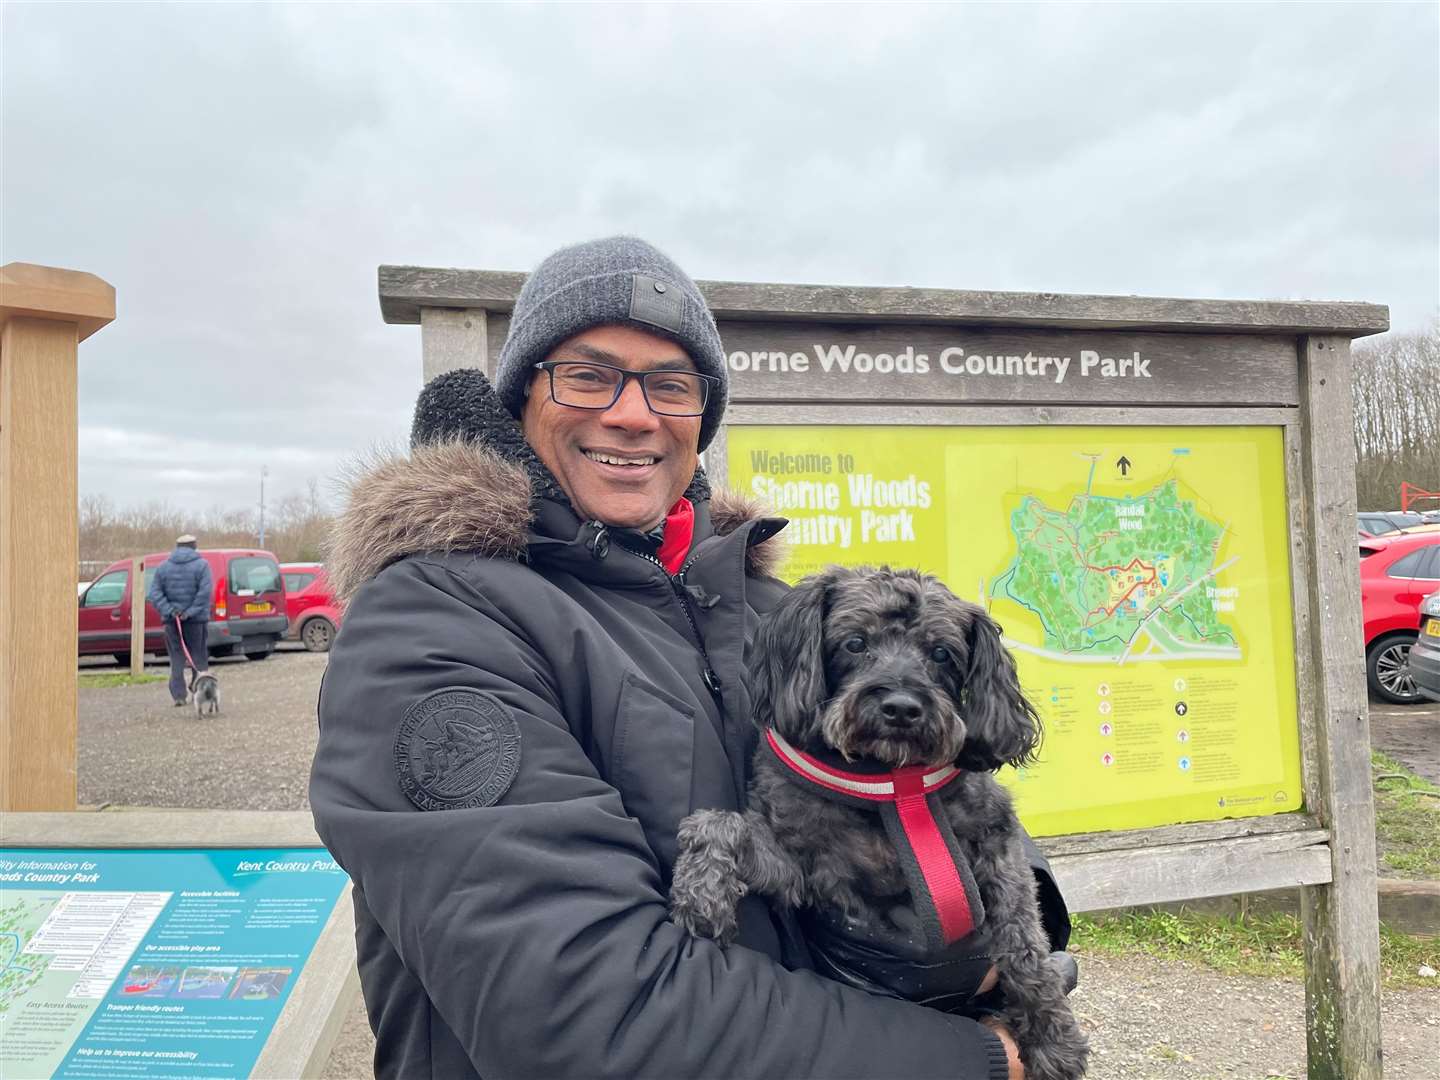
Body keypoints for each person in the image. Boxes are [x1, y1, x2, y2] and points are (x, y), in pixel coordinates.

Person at [310, 237, 1072, 1080]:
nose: (634, 415)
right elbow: (582, 1013)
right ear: (524, 394)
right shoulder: (434, 622)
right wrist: (976, 1059)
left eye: (671, 385)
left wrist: (991, 944)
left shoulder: (768, 609)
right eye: (589, 375)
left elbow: (951, 783)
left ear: (701, 421)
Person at [148, 533, 212, 706]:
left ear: (177, 546)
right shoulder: (202, 566)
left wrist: (170, 611)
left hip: (171, 621)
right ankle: (198, 690)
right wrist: (189, 612)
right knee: (198, 657)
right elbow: (205, 593)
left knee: (176, 657)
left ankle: (178, 695)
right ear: (194, 546)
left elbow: (154, 593)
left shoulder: (163, 568)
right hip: (196, 621)